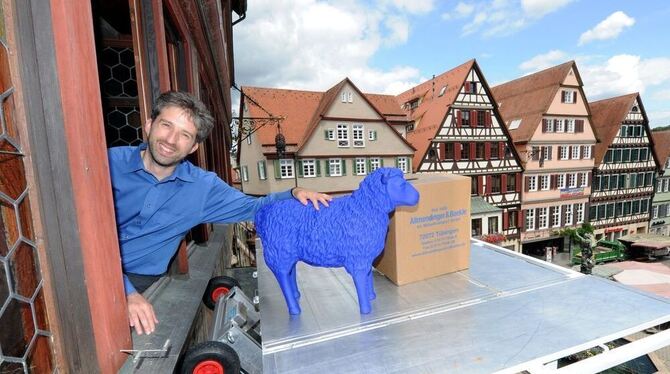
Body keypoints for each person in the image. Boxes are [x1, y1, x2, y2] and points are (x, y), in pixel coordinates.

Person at [108, 91, 331, 335]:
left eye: (184, 135)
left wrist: (294, 192)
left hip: (145, 282)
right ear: (149, 125)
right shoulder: (106, 163)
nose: (171, 140)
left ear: (193, 146)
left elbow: (253, 207)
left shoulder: (203, 188)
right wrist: (123, 292)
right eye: (166, 126)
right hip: (94, 271)